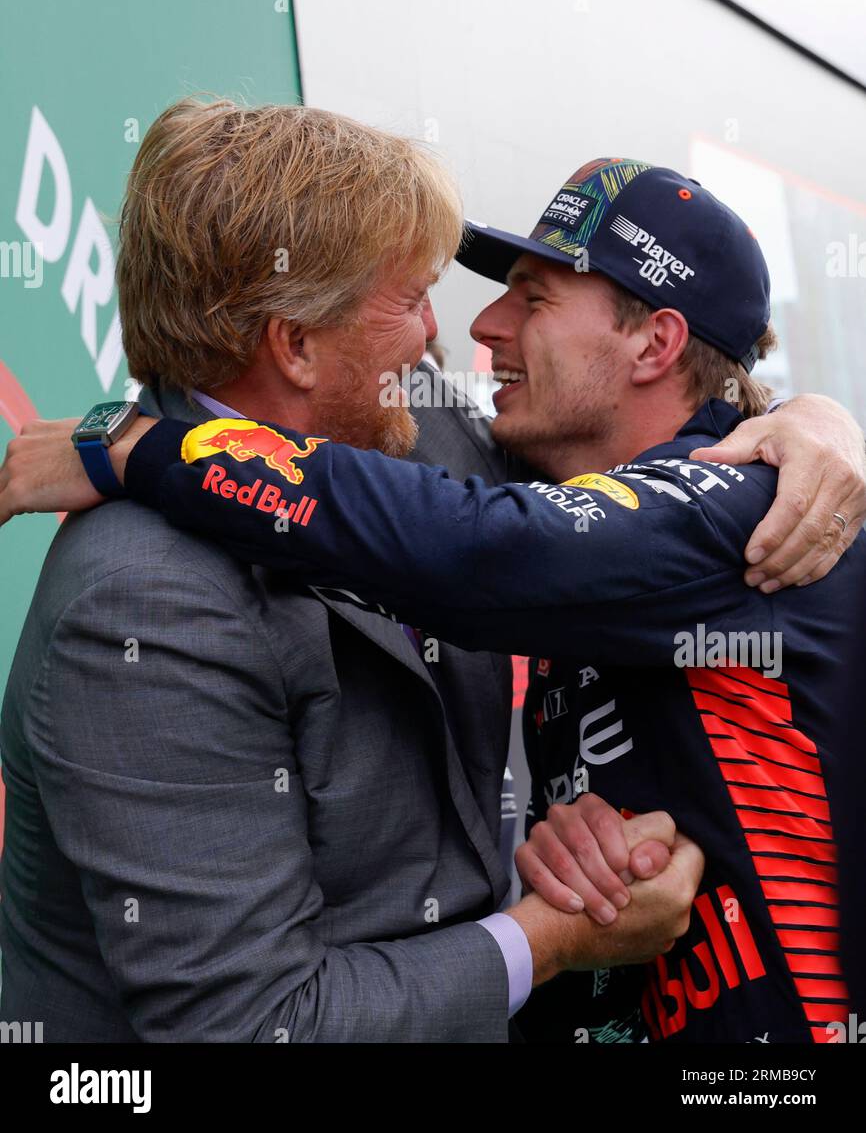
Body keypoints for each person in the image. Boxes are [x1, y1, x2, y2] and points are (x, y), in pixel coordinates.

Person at [17, 154, 864, 1044]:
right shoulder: (500, 464)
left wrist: (134, 446)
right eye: (412, 299)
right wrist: (574, 871)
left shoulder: (742, 507)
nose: (471, 329)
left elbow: (477, 552)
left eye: (534, 300)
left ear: (655, 342)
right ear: (296, 344)